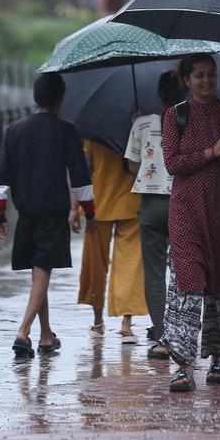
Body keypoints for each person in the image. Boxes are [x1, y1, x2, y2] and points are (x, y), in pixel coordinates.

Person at [159, 53, 220, 392]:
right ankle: (184, 365)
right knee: (188, 286)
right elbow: (172, 163)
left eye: (211, 75)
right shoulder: (175, 116)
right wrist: (211, 152)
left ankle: (217, 361)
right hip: (186, 213)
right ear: (186, 80)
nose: (207, 81)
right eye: (199, 76)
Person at [0, 72, 93, 358]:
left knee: (39, 270)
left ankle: (46, 336)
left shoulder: (15, 129)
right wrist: (89, 211)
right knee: (43, 269)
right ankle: (23, 332)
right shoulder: (66, 130)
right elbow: (80, 176)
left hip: (26, 210)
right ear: (61, 99)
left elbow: (0, 177)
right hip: (53, 210)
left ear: (35, 97)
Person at [124, 69, 186, 361]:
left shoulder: (142, 124)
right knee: (182, 272)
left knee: (154, 274)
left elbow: (132, 167)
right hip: (182, 203)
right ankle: (182, 332)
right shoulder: (192, 122)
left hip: (150, 204)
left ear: (160, 95)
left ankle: (162, 337)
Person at [77, 136, 149, 342]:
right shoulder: (136, 129)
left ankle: (98, 323)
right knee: (130, 263)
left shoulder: (95, 131)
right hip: (132, 199)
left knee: (95, 264)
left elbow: (85, 168)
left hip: (98, 203)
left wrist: (74, 206)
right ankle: (126, 324)